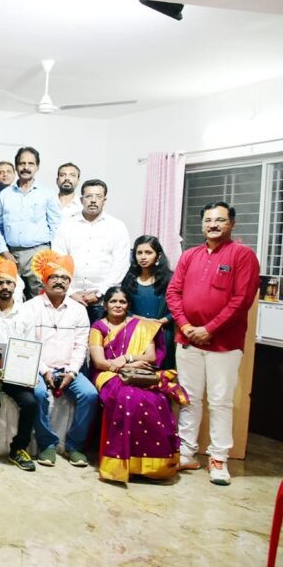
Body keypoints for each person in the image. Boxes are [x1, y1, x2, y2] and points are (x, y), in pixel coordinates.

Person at [166, 201, 260, 486]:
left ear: (232, 223)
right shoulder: (190, 255)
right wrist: (186, 326)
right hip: (188, 339)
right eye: (208, 220)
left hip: (224, 344)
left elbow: (241, 300)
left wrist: (209, 329)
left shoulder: (242, 255)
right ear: (202, 224)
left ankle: (218, 457)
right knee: (189, 398)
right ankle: (187, 452)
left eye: (220, 220)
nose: (213, 225)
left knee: (220, 401)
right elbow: (173, 293)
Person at [89, 286, 189, 483]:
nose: (118, 305)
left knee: (157, 399)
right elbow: (100, 362)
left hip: (138, 373)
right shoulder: (98, 327)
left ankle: (151, 466)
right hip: (107, 374)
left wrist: (127, 358)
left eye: (122, 302)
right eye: (113, 301)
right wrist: (125, 366)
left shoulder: (142, 326)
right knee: (126, 398)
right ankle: (123, 463)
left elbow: (150, 357)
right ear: (106, 305)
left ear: (128, 305)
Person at [19, 249, 98, 468]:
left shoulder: (79, 310)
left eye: (65, 278)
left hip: (68, 369)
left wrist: (72, 372)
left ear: (70, 283)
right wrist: (44, 371)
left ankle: (74, 446)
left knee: (90, 395)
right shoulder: (30, 307)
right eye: (54, 277)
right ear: (44, 281)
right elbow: (28, 344)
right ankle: (47, 444)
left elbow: (81, 346)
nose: (59, 281)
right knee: (38, 393)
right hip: (38, 368)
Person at [0, 255, 46, 471]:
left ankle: (18, 448)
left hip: (16, 374)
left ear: (15, 285)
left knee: (30, 402)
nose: (5, 287)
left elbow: (30, 345)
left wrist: (28, 373)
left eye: (9, 282)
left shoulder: (25, 313)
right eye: (0, 282)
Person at [52, 179, 131, 322]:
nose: (93, 200)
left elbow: (121, 264)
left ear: (104, 200)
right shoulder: (67, 225)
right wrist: (71, 292)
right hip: (70, 298)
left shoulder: (117, 227)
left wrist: (100, 293)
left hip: (103, 301)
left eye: (98, 196)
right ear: (81, 199)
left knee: (100, 336)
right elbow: (57, 260)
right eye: (89, 196)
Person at [0, 146, 61, 298]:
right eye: (22, 163)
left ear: (37, 167)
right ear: (16, 166)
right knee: (11, 298)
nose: (26, 167)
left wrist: (47, 253)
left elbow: (56, 225)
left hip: (38, 254)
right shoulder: (5, 195)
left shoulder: (47, 193)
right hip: (11, 254)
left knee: (39, 298)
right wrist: (4, 252)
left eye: (30, 164)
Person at [121, 235, 175, 368]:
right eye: (139, 253)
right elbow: (123, 307)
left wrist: (160, 322)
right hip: (136, 332)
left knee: (162, 373)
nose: (143, 257)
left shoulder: (170, 279)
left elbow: (179, 307)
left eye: (148, 252)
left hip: (163, 332)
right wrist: (141, 320)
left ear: (158, 256)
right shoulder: (129, 278)